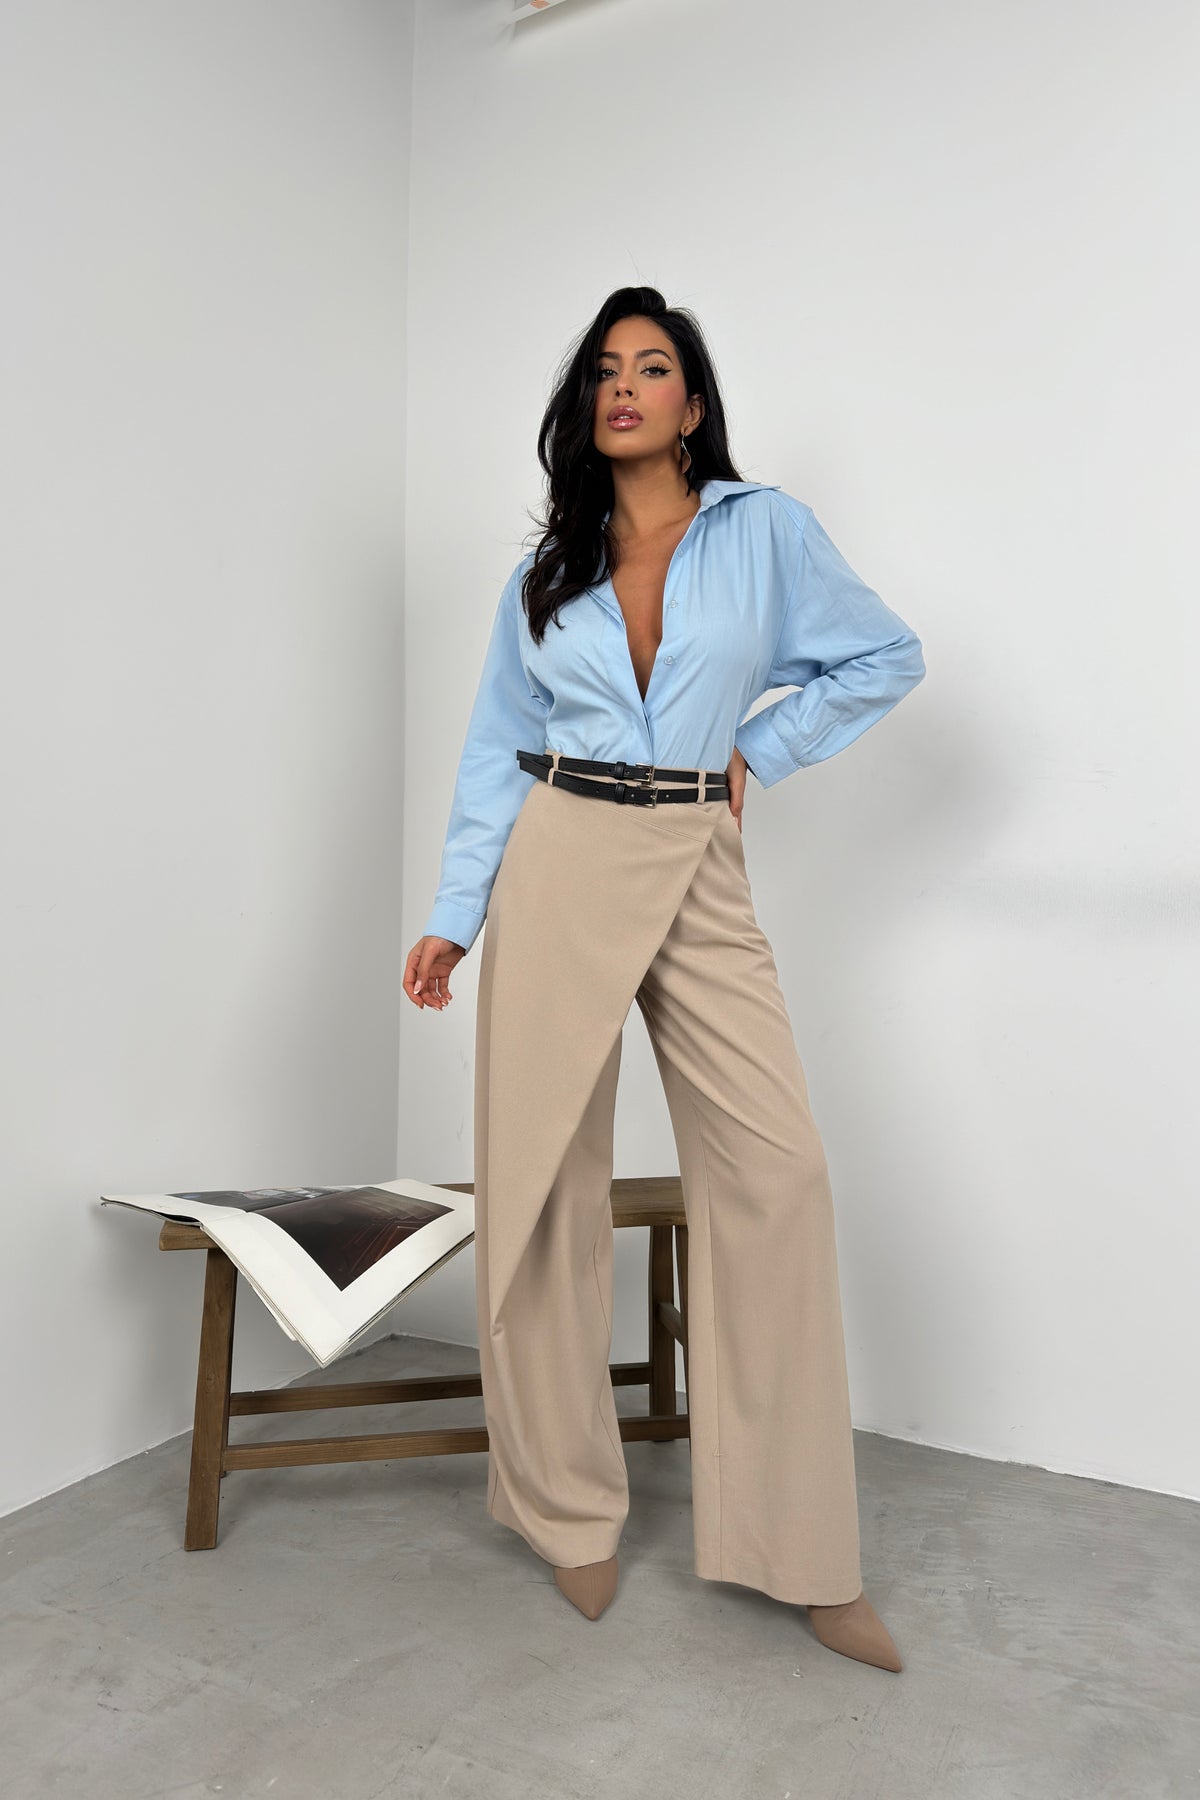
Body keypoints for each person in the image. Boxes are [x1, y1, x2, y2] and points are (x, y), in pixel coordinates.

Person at [404, 286, 925, 1673]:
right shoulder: (546, 572)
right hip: (560, 853)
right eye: (605, 370)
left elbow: (887, 654)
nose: (626, 386)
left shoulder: (766, 532)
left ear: (693, 403)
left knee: (778, 1175)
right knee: (543, 1188)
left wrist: (767, 744)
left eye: (653, 367)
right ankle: (563, 1507)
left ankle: (801, 1549)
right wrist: (456, 913)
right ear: (587, 405)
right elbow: (494, 748)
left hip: (696, 849)